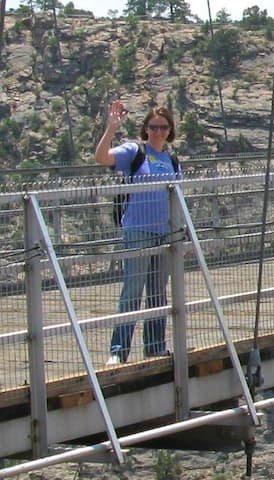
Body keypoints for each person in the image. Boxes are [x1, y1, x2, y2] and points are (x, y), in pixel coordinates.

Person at [95, 100, 182, 364]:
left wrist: (181, 234)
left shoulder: (172, 159)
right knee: (133, 290)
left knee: (158, 293)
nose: (158, 132)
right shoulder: (135, 152)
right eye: (154, 127)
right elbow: (102, 158)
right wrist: (111, 129)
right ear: (146, 129)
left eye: (163, 127)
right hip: (138, 232)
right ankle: (118, 351)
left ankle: (155, 348)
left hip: (165, 233)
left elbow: (177, 198)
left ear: (170, 130)